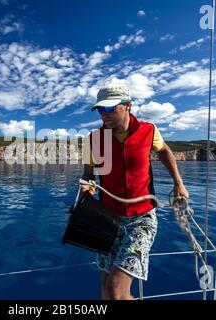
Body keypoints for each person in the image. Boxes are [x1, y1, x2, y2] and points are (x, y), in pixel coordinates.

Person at [80, 84, 189, 300]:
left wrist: (178, 183)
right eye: (101, 110)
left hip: (141, 219)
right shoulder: (92, 139)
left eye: (110, 109)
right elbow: (88, 175)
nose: (104, 114)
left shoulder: (149, 130)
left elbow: (165, 151)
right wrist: (87, 186)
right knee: (105, 288)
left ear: (127, 105)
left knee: (115, 288)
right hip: (107, 219)